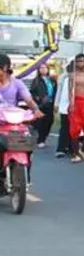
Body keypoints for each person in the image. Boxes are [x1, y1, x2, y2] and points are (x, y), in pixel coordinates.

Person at [0, 54, 43, 185]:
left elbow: (28, 100)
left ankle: (26, 174)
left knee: (27, 141)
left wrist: (36, 110)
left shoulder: (17, 84)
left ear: (6, 68)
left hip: (12, 120)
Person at [68, 53, 84, 162]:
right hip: (76, 102)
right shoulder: (73, 75)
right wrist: (71, 103)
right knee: (75, 129)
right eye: (78, 61)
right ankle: (75, 154)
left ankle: (82, 150)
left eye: (82, 61)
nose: (80, 63)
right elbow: (70, 91)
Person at [30, 63, 56, 148]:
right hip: (41, 104)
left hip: (50, 103)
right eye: (41, 68)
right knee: (41, 122)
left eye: (45, 67)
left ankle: (43, 138)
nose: (43, 69)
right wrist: (38, 99)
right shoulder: (36, 80)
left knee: (49, 121)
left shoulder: (51, 80)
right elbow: (32, 92)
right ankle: (40, 140)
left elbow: (55, 90)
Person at [54, 61, 74, 158]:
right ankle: (61, 148)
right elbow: (59, 91)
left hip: (76, 107)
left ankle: (71, 148)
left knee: (74, 129)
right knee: (64, 128)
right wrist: (56, 104)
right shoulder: (64, 78)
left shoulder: (80, 78)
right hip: (64, 107)